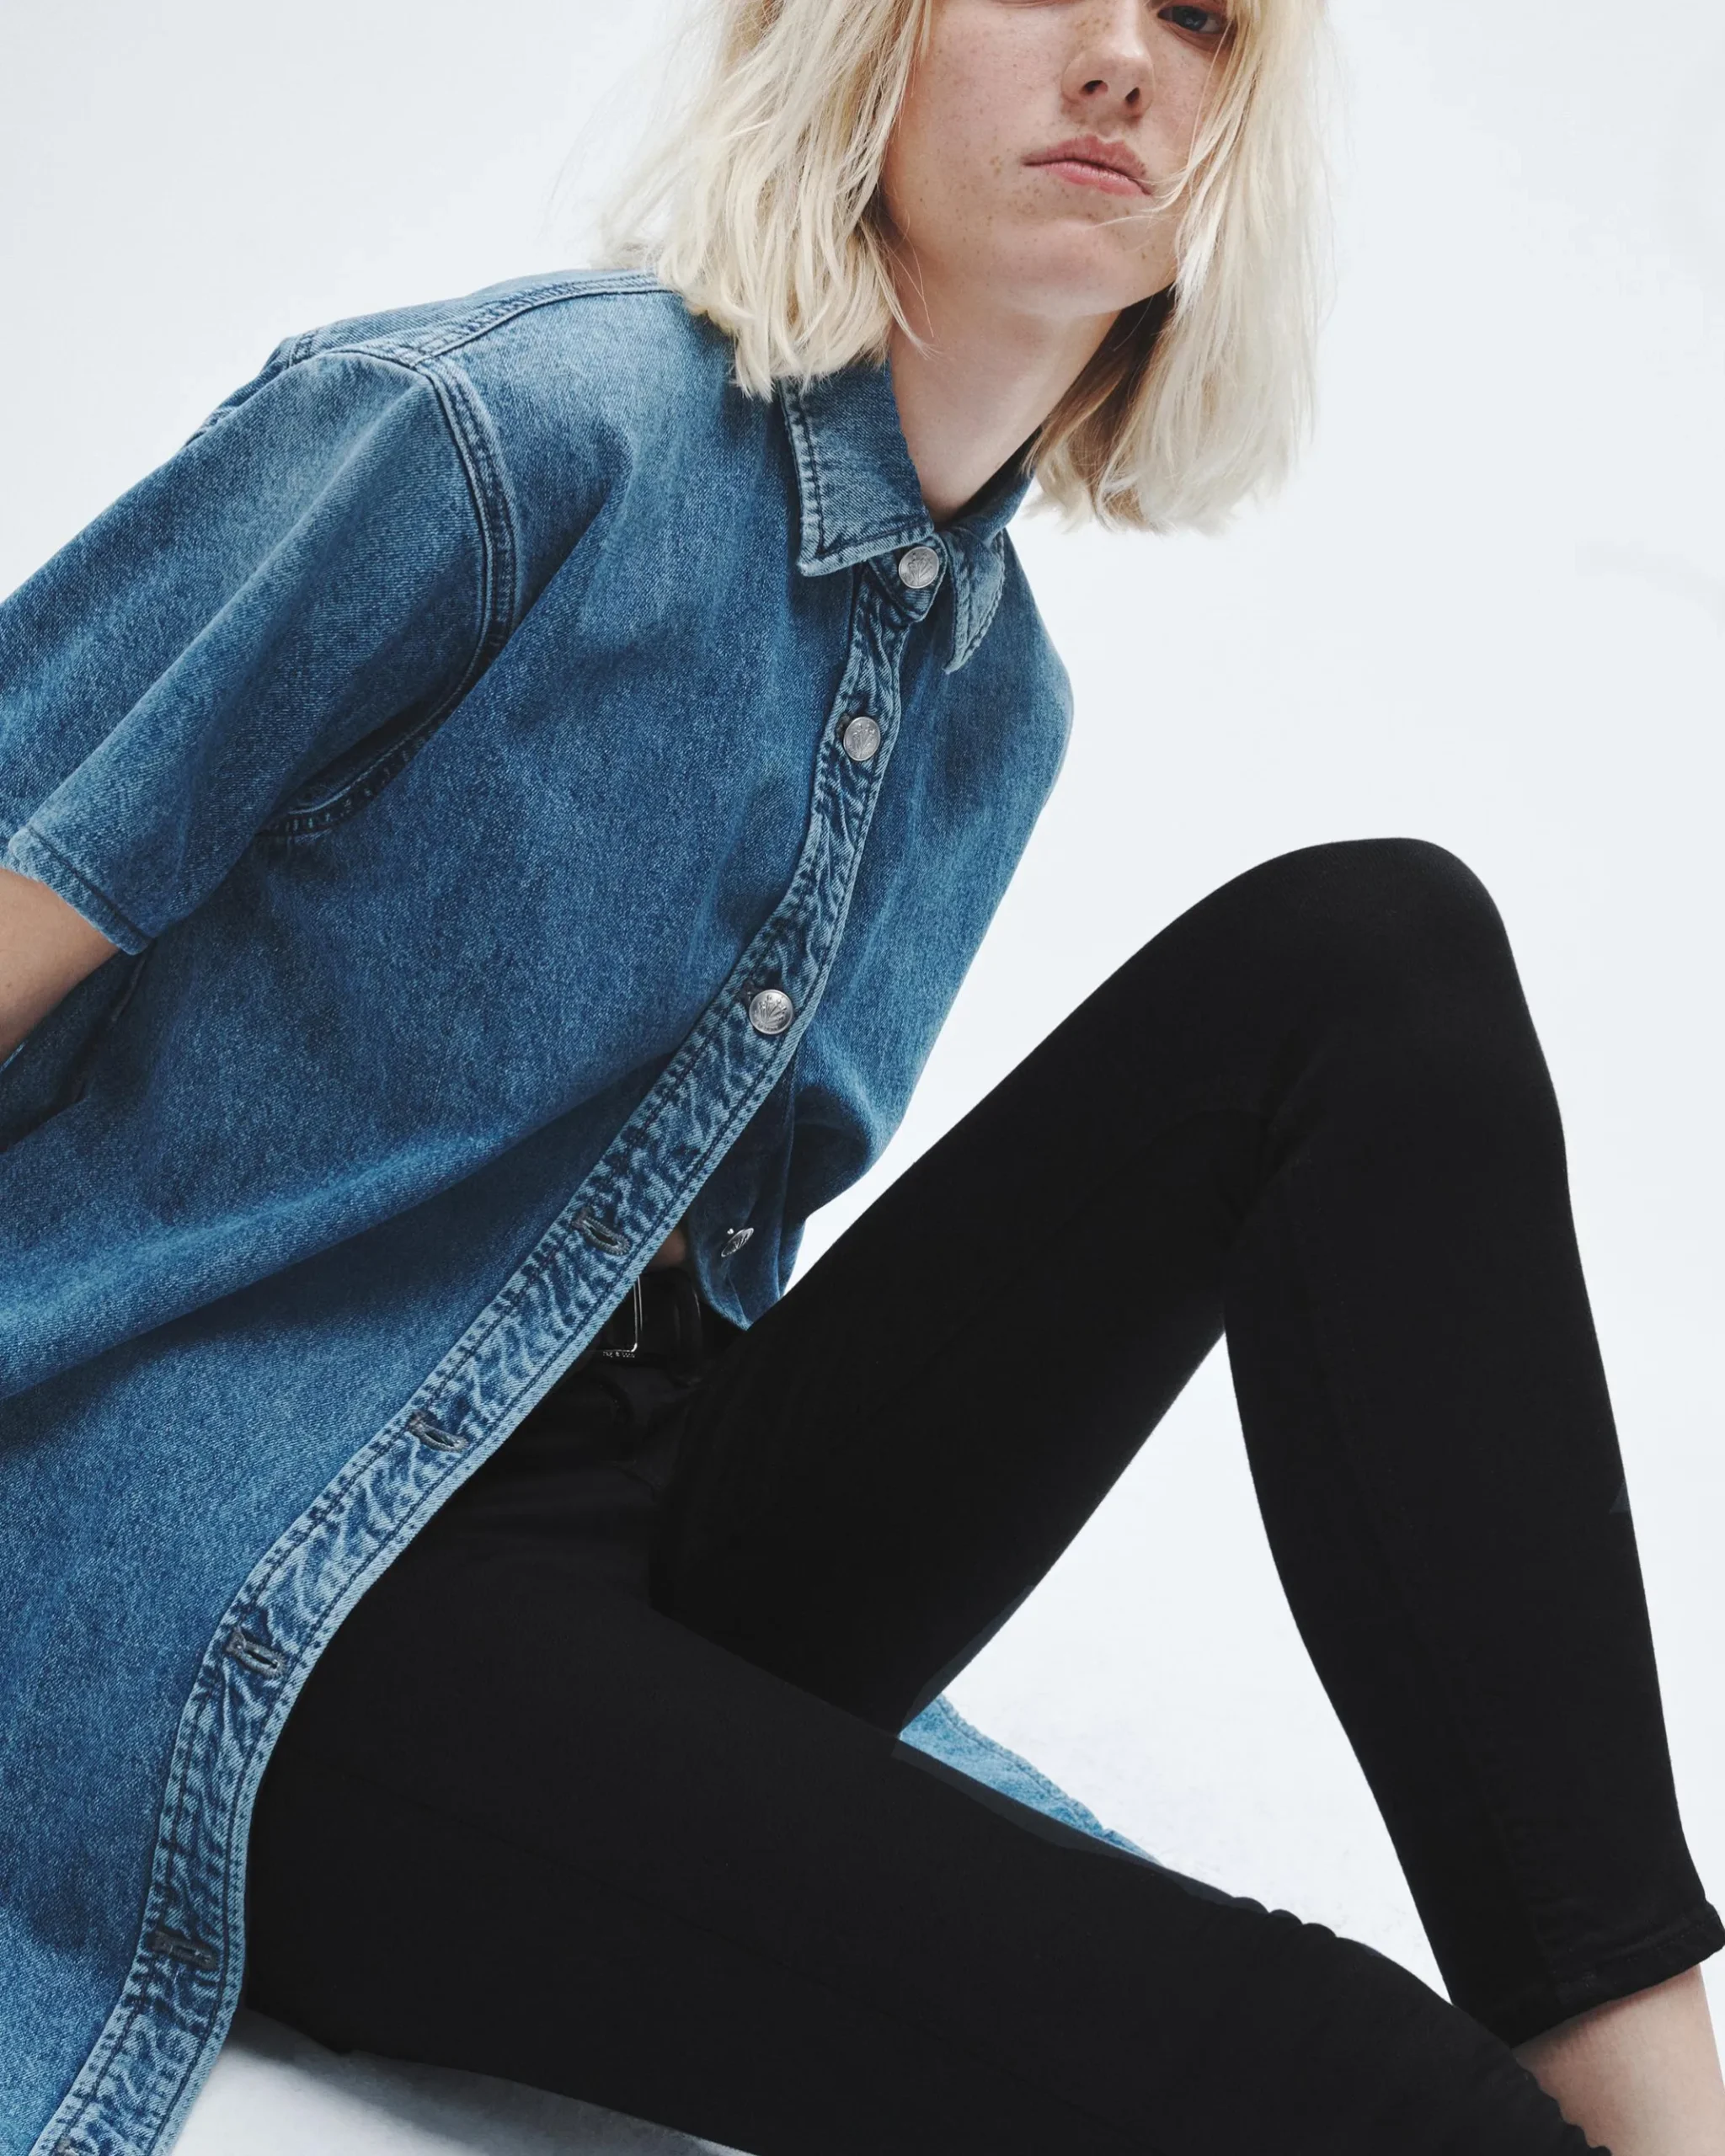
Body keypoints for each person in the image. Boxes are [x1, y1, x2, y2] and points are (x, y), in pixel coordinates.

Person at [1, 1, 1721, 2151]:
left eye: (1197, 19)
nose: (1123, 61)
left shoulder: (996, 699)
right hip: (242, 1588)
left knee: (1374, 957)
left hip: (629, 1515)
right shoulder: (494, 432)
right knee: (1354, 2089)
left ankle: (1658, 2089)